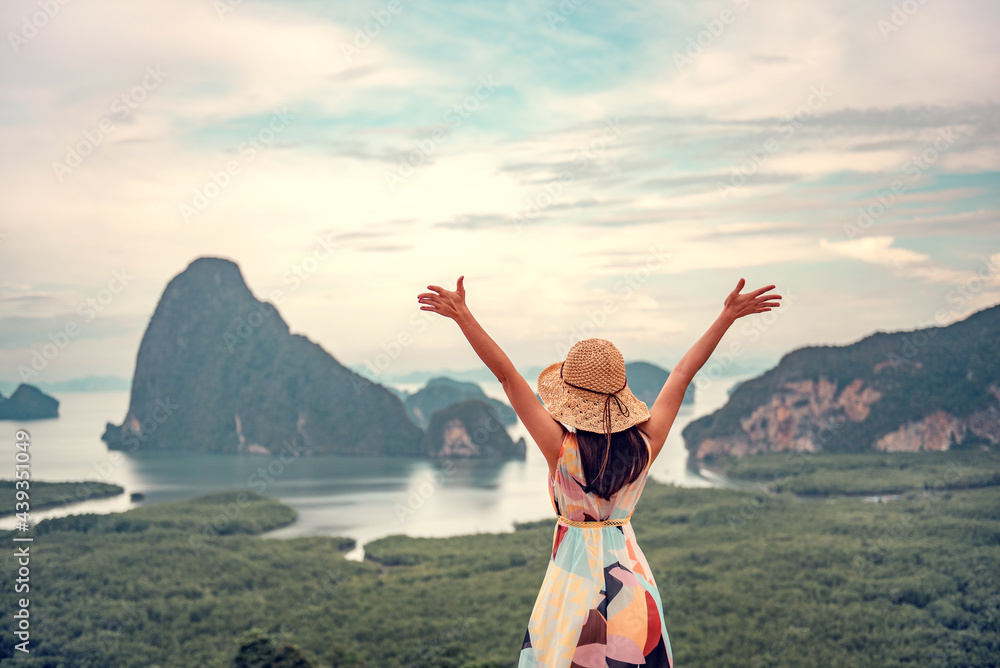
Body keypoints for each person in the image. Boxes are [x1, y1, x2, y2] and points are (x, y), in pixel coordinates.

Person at [417, 276, 782, 668]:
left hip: (571, 589)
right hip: (632, 583)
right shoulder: (645, 445)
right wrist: (726, 317)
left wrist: (463, 317)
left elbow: (507, 376)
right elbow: (681, 375)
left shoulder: (561, 450)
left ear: (571, 400)